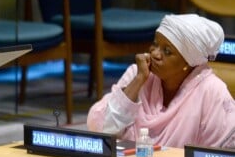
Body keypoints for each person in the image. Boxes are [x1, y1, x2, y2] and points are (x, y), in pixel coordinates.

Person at [87, 13, 235, 149]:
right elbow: (104, 130)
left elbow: (217, 155)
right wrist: (138, 80)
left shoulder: (212, 91)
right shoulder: (137, 73)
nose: (155, 54)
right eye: (155, 44)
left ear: (188, 62)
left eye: (167, 51)